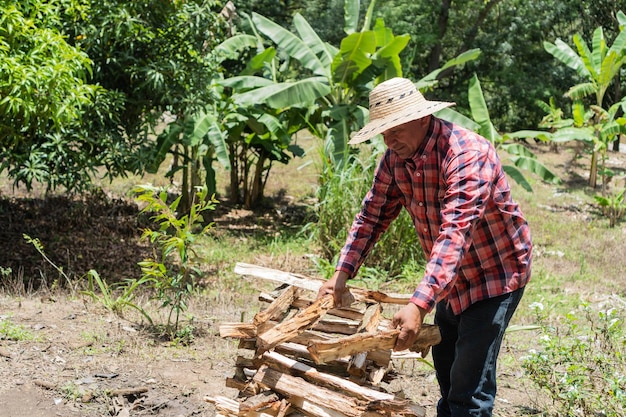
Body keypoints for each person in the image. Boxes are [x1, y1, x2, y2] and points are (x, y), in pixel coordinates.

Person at [316, 77, 532, 417]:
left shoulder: (466, 155)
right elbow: (371, 217)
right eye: (383, 131)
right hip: (450, 279)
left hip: (495, 273)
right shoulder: (395, 160)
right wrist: (340, 275)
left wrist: (418, 305)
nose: (389, 139)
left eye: (396, 129)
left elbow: (455, 233)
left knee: (469, 390)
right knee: (447, 371)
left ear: (421, 118)